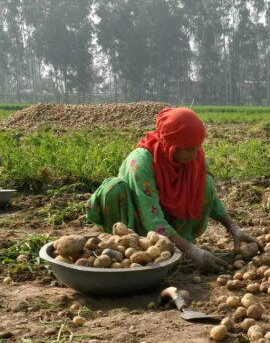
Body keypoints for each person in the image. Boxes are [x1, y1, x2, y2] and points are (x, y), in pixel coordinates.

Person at [86, 107, 258, 271]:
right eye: (189, 149)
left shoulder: (193, 158)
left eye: (197, 147)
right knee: (114, 189)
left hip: (165, 220)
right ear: (171, 144)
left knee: (203, 181)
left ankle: (178, 245)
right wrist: (192, 251)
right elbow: (150, 215)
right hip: (135, 217)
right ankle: (122, 249)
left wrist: (233, 227)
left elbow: (209, 197)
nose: (195, 154)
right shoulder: (141, 162)